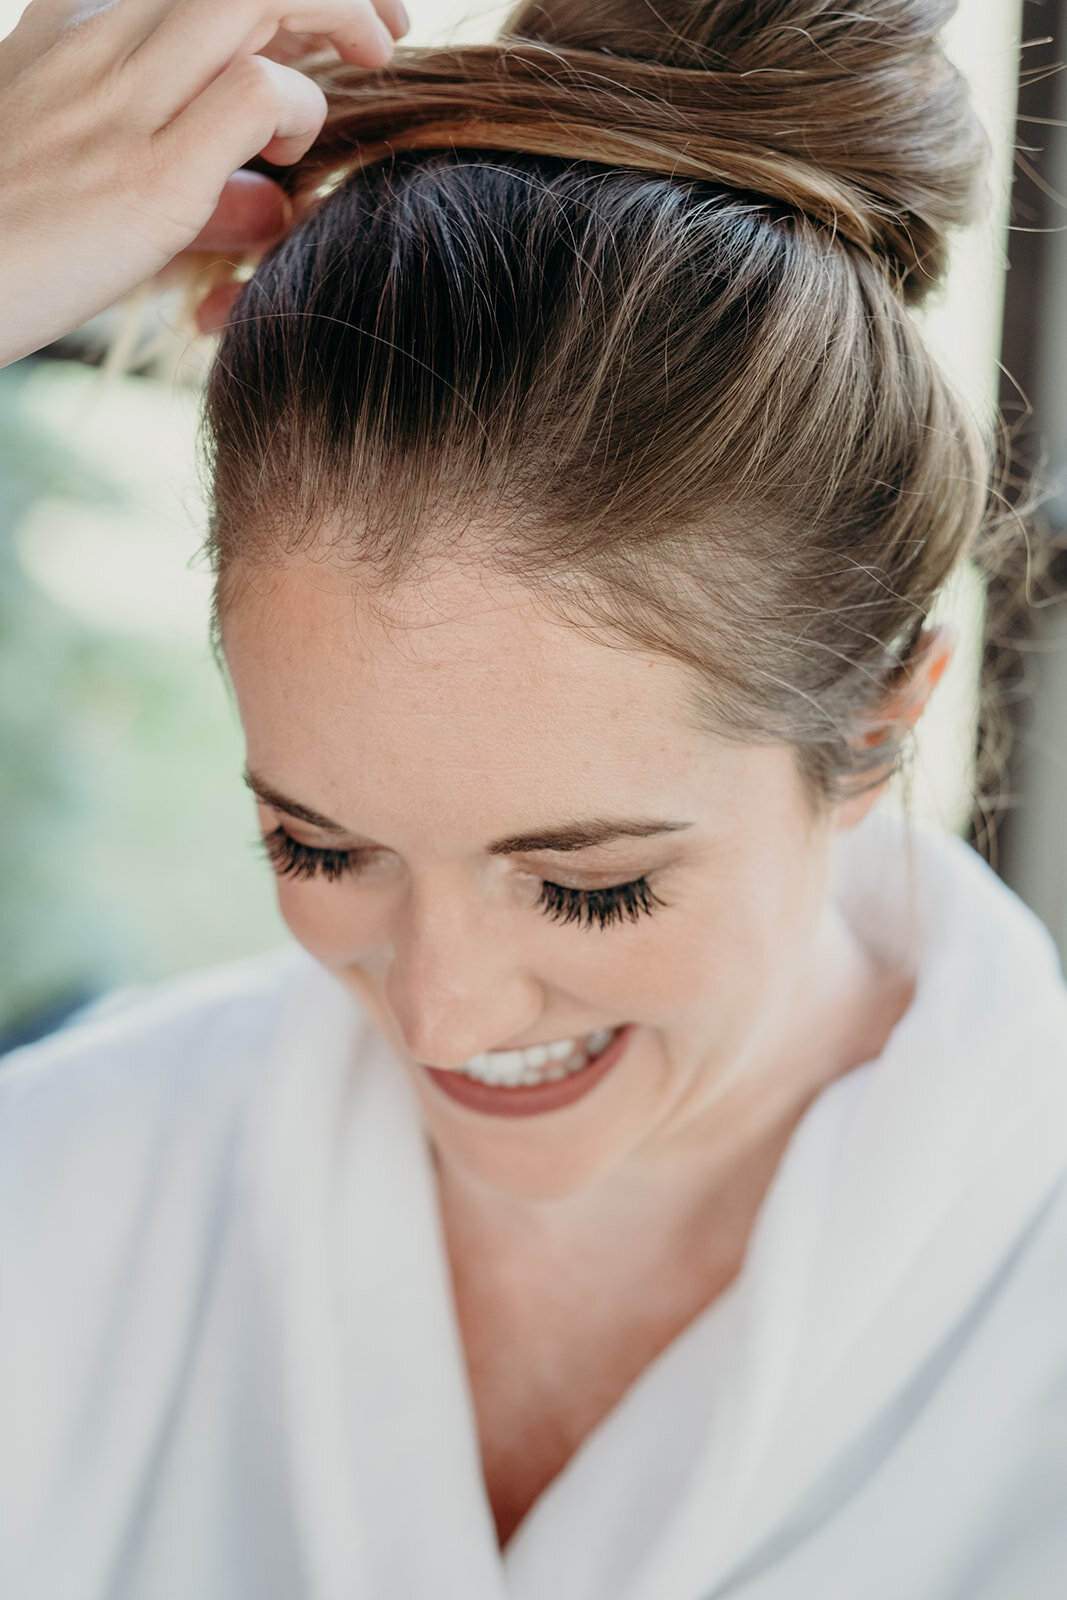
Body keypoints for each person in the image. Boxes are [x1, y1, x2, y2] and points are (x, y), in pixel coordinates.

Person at [2, 1, 1067, 1596]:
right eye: (318, 845)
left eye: (589, 884)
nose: (439, 1015)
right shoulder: (72, 1190)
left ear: (874, 723)